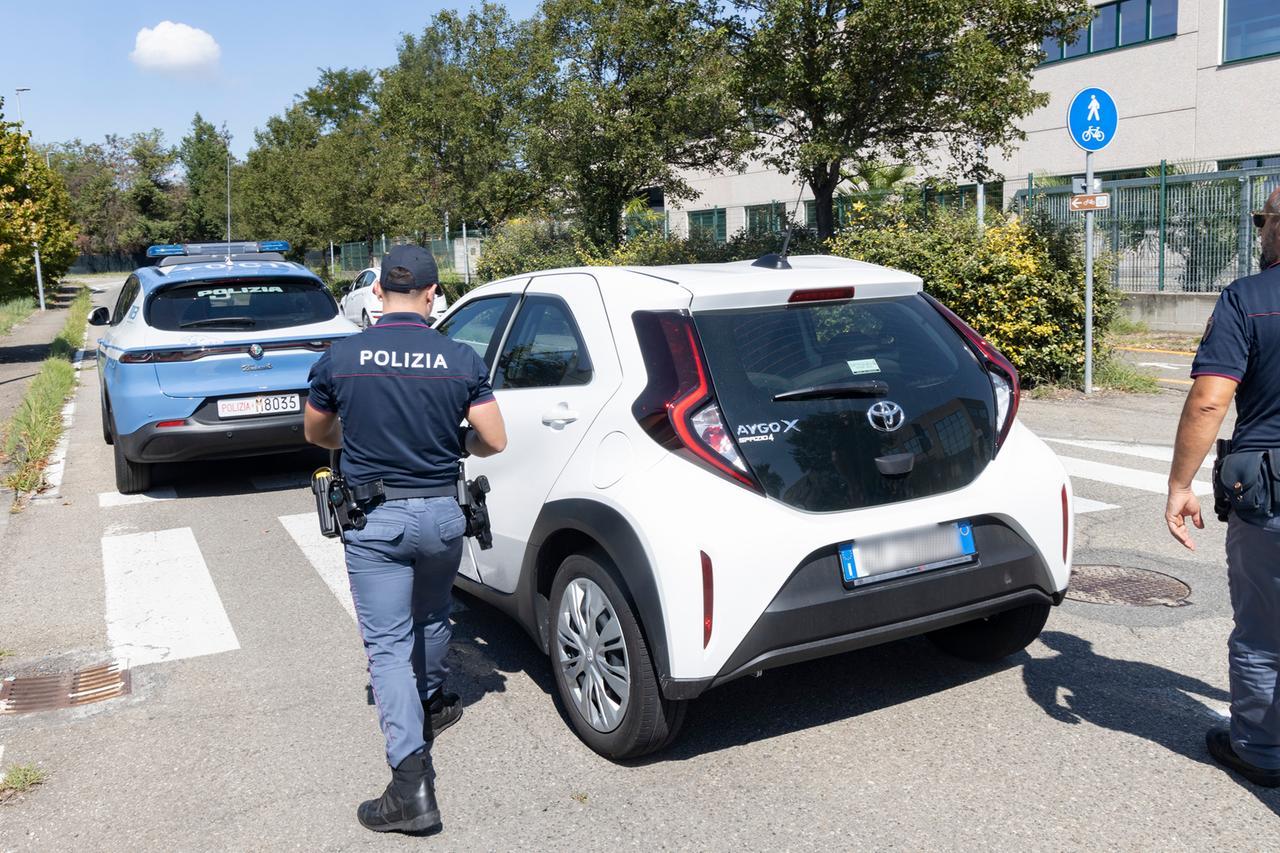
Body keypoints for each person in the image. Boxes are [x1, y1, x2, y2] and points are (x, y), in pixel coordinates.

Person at [304, 244, 507, 833]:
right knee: (436, 613)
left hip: (376, 519)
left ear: (376, 295)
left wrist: (362, 430)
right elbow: (493, 440)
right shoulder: (460, 358)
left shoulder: (341, 358)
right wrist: (451, 444)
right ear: (431, 295)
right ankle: (435, 700)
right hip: (444, 513)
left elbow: (318, 433)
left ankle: (410, 788)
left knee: (388, 645)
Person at [1165, 187, 1280, 789]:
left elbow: (1211, 399)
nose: (1260, 230)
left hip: (1272, 493)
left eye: (1264, 221)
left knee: (1265, 630)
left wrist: (1179, 484)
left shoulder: (1249, 298)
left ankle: (1261, 750)